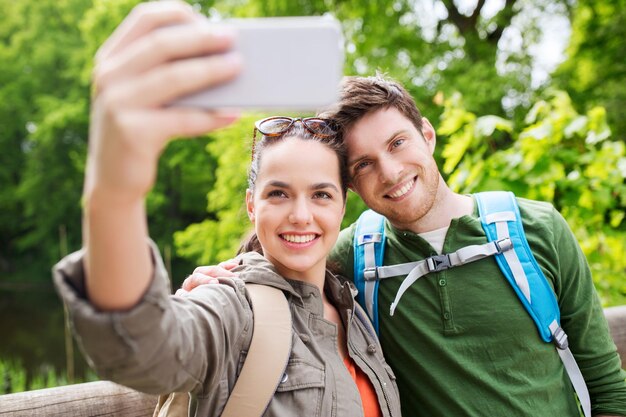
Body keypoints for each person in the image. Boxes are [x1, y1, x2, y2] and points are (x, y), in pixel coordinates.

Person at [187, 74, 626, 416]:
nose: (392, 171)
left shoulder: (537, 230)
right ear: (351, 187)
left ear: (427, 134)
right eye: (365, 164)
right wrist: (226, 275)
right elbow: (288, 246)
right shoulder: (354, 255)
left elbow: (607, 387)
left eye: (398, 143)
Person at [52, 2, 401, 417]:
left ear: (344, 204)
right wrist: (114, 190)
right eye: (278, 194)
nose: (301, 215)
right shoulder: (233, 307)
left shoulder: (357, 311)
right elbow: (139, 350)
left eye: (321, 195)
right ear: (252, 205)